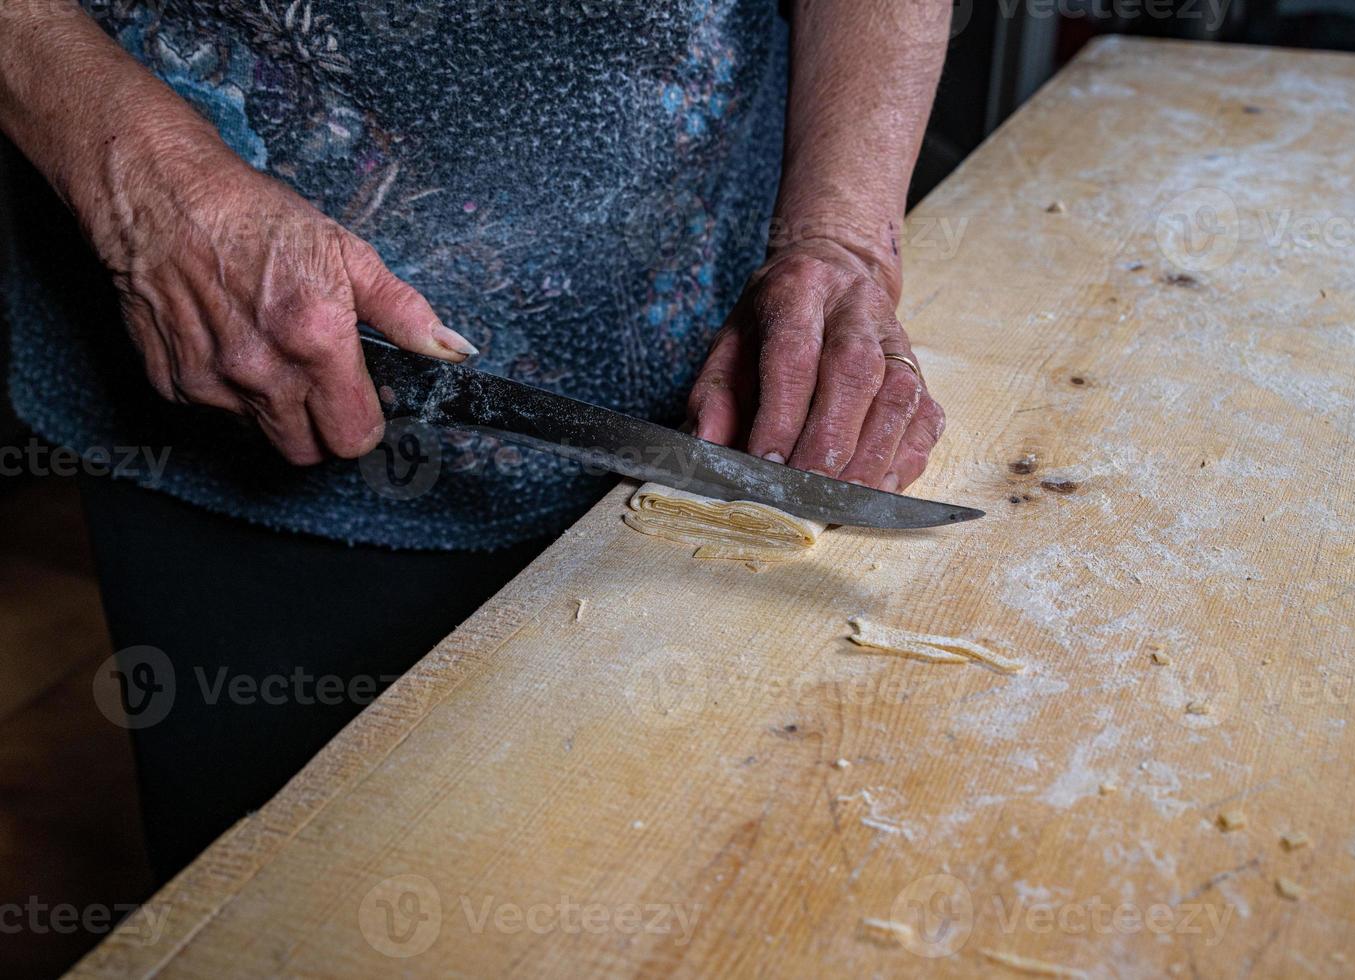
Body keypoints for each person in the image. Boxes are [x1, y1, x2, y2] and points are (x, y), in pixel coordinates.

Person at [0, 0, 951, 880]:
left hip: (703, 332)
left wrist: (840, 237)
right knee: (296, 888)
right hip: (238, 348)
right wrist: (140, 182)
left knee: (657, 860)